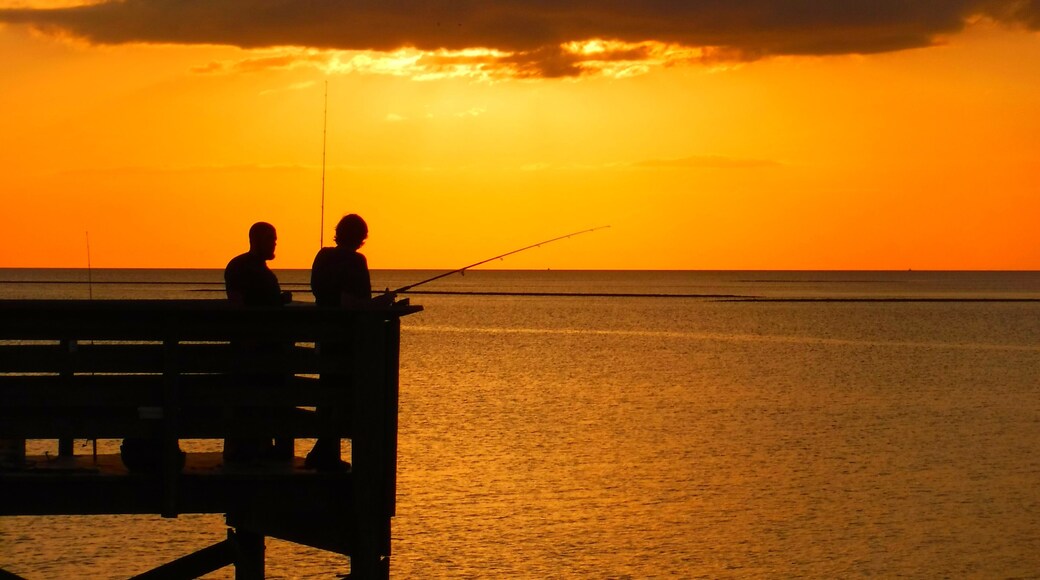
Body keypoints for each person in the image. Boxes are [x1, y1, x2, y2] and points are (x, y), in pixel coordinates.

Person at [306, 214, 373, 470]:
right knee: (343, 395)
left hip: (323, 335)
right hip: (346, 338)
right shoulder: (356, 261)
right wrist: (379, 304)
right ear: (361, 237)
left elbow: (322, 293)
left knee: (327, 392)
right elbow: (350, 303)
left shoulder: (322, 256)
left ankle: (324, 450)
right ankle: (325, 453)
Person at [223, 221, 292, 464]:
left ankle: (256, 447)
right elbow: (238, 304)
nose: (275, 243)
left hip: (263, 349)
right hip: (254, 349)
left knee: (260, 401)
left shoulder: (252, 269)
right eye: (270, 239)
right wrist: (248, 338)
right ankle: (250, 449)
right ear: (256, 240)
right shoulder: (244, 268)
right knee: (254, 399)